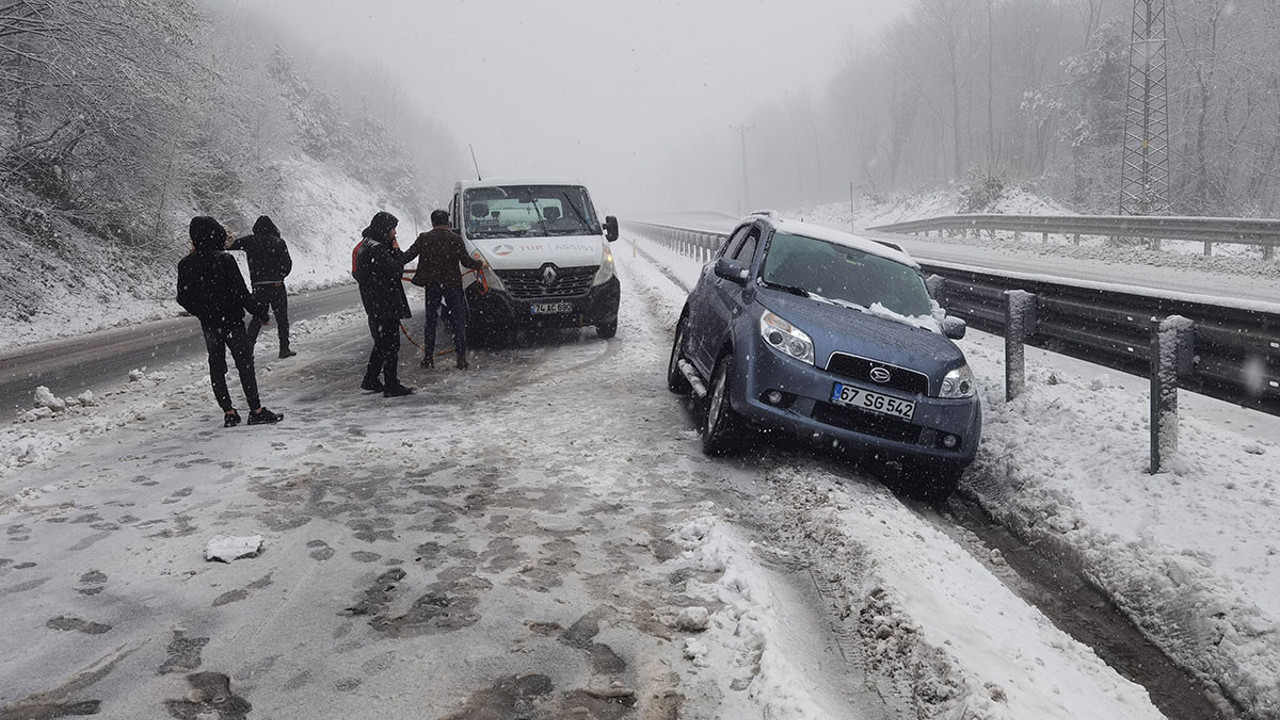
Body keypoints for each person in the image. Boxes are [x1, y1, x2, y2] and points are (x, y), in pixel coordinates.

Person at [177, 216, 284, 427]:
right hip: (233, 321)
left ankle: (229, 412)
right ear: (216, 235)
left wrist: (202, 311)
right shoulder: (224, 260)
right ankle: (256, 410)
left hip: (210, 324)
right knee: (245, 365)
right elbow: (242, 294)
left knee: (217, 366)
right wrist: (261, 312)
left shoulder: (186, 264)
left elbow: (183, 297)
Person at [404, 209, 485, 370]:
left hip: (432, 285)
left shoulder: (424, 238)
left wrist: (393, 260)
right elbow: (466, 261)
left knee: (431, 321)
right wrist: (479, 264)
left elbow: (408, 256)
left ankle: (428, 358)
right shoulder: (455, 239)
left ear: (432, 222)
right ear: (448, 222)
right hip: (452, 285)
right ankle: (461, 359)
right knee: (458, 321)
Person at [353, 211, 414, 397]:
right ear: (385, 229)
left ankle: (371, 379)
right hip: (385, 303)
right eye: (393, 229)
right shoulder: (378, 249)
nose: (395, 233)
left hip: (374, 304)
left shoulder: (365, 245)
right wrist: (396, 251)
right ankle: (391, 385)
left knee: (381, 343)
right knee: (390, 345)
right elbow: (395, 269)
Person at [228, 215, 295, 358]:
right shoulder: (279, 243)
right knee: (282, 318)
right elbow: (287, 264)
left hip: (259, 286)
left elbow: (231, 246)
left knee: (258, 317)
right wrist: (279, 275)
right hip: (277, 285)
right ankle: (284, 348)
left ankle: (248, 348)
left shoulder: (249, 241)